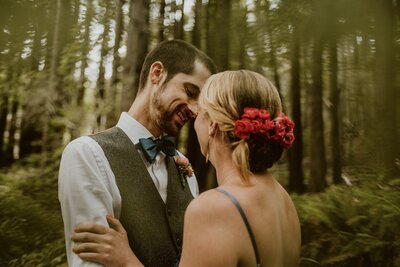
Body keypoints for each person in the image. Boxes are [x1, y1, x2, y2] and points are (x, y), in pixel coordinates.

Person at [71, 70, 302, 267]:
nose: (193, 117)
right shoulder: (282, 198)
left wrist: (126, 260)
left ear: (212, 124)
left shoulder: (214, 209)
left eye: (200, 110)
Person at [58, 39, 216, 267]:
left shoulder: (184, 167)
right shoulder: (87, 155)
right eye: (190, 91)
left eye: (200, 103)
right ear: (157, 73)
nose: (194, 109)